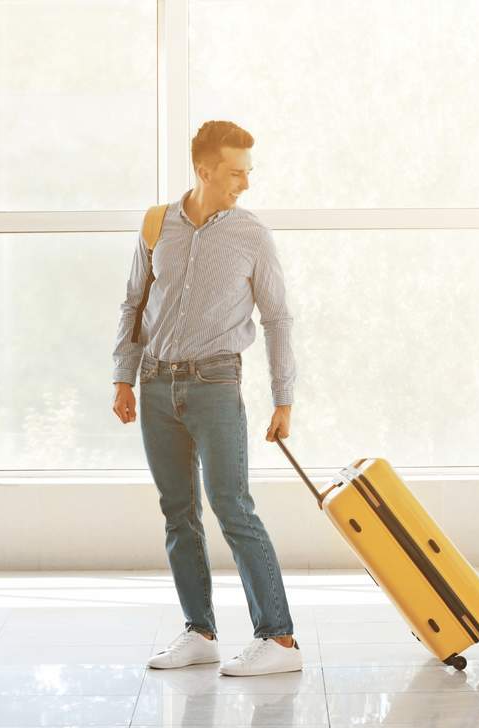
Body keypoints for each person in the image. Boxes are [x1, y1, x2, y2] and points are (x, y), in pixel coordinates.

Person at [111, 120, 301, 676]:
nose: (245, 182)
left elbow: (278, 317)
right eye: (236, 171)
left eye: (248, 171)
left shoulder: (252, 234)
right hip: (154, 383)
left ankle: (279, 639)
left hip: (217, 382)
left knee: (231, 506)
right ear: (205, 168)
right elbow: (132, 303)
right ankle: (200, 631)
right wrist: (123, 376)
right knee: (179, 513)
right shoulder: (156, 225)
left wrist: (283, 398)